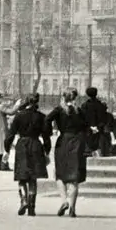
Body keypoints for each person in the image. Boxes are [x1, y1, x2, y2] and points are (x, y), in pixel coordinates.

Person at [5, 93, 52, 217]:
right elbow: (46, 136)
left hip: (22, 145)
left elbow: (10, 134)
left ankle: (23, 199)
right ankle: (32, 206)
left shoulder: (19, 116)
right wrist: (47, 150)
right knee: (33, 178)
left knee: (22, 176)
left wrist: (7, 149)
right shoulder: (42, 117)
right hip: (36, 144)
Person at [47, 87, 89, 217]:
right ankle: (73, 208)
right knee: (74, 177)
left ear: (63, 98)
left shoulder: (59, 110)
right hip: (77, 143)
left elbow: (47, 119)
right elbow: (86, 126)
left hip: (63, 141)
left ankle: (64, 200)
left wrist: (49, 131)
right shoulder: (79, 111)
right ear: (75, 98)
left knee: (60, 174)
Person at [80, 87, 110, 158]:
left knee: (87, 150)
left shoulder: (84, 105)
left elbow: (82, 119)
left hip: (88, 131)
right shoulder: (101, 105)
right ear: (96, 94)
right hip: (99, 131)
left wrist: (90, 127)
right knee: (98, 149)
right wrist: (97, 127)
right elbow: (104, 119)